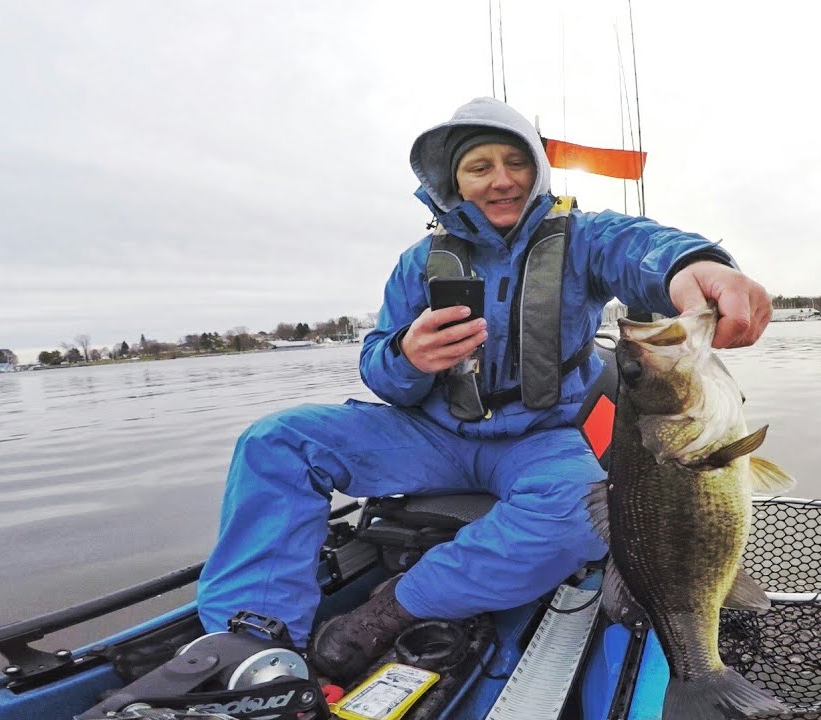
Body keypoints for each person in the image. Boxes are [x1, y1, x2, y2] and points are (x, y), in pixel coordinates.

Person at [195, 97, 773, 684]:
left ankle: (398, 604)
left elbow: (644, 250)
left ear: (537, 171)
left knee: (579, 519)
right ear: (454, 181)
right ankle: (252, 637)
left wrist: (700, 266)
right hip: (431, 433)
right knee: (278, 440)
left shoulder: (585, 238)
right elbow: (377, 366)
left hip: (539, 438)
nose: (501, 180)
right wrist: (406, 356)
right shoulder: (417, 263)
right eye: (480, 167)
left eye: (515, 162)